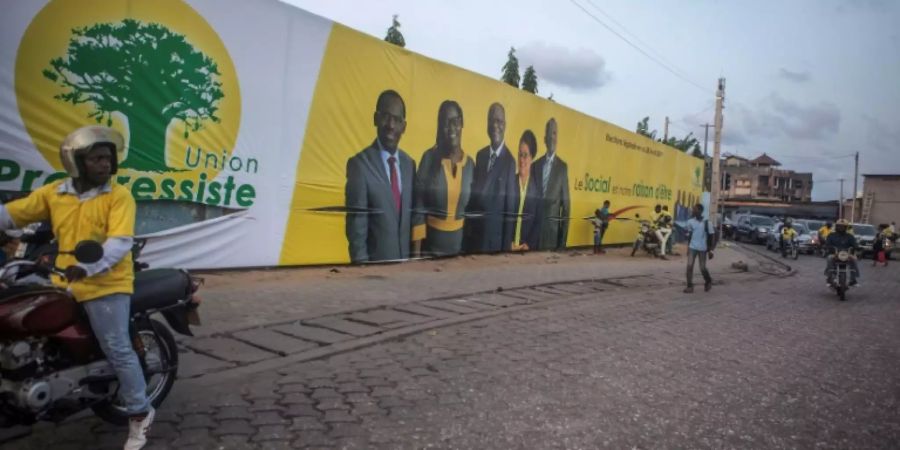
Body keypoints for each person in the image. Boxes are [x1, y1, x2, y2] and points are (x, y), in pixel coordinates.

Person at [0, 126, 153, 450]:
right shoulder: (55, 193)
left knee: (118, 348)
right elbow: (12, 215)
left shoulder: (119, 196)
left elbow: (119, 243)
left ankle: (140, 413)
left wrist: (87, 267)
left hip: (106, 282)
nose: (104, 165)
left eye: (107, 158)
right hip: (63, 279)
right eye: (96, 158)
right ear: (76, 162)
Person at [345, 90, 416, 263]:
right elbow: (357, 233)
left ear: (404, 126)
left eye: (397, 120)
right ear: (375, 118)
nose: (391, 125)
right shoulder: (359, 165)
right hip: (376, 276)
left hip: (406, 273)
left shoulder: (410, 165)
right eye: (386, 116)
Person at [412, 100, 474, 257]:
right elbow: (418, 210)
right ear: (440, 127)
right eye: (446, 123)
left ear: (462, 123)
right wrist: (415, 257)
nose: (451, 128)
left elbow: (470, 213)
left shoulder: (471, 164)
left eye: (455, 121)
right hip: (430, 251)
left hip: (458, 252)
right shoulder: (429, 158)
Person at [465, 103, 517, 254]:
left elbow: (510, 210)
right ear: (487, 123)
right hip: (474, 238)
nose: (495, 125)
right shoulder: (480, 155)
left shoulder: (510, 162)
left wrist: (505, 250)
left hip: (493, 243)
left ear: (505, 125)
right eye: (492, 120)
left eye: (499, 121)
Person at [532, 118, 570, 251]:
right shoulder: (535, 166)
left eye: (554, 133)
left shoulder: (562, 168)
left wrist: (562, 243)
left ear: (557, 137)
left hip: (551, 237)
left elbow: (566, 208)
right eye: (549, 134)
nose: (551, 137)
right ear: (544, 139)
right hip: (533, 236)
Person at [510, 130, 542, 251]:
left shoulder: (537, 190)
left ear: (532, 157)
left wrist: (528, 245)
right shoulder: (510, 183)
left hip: (526, 251)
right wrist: (508, 243)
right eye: (519, 154)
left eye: (525, 155)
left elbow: (538, 223)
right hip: (507, 249)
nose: (521, 160)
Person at [684, 203, 715, 293]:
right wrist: (688, 247)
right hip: (692, 247)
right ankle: (689, 286)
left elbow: (712, 236)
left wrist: (711, 250)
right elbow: (690, 235)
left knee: (702, 268)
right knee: (689, 266)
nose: (693, 210)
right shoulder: (690, 222)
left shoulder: (707, 223)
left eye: (695, 209)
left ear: (700, 211)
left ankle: (708, 281)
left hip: (703, 248)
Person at [824, 219, 860, 286]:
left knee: (854, 259)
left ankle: (853, 279)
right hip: (834, 254)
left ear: (846, 227)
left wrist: (857, 247)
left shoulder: (850, 236)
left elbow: (854, 244)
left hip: (847, 254)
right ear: (836, 227)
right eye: (839, 226)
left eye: (843, 226)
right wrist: (828, 247)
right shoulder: (831, 235)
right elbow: (827, 244)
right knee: (829, 258)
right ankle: (830, 278)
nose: (841, 228)